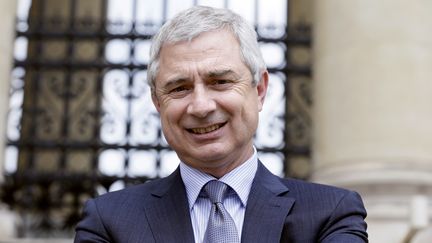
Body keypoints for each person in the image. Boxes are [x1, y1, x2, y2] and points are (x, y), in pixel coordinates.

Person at [74, 5, 368, 243]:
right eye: (179, 88)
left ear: (260, 89)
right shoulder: (108, 222)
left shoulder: (331, 214)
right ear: (157, 101)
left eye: (220, 82)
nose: (201, 106)